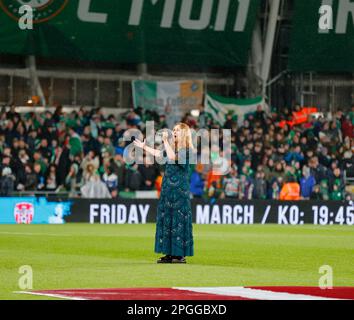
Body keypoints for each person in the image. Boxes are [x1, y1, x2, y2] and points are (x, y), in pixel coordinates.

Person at [134, 123, 194, 264]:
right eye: (173, 130)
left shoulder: (188, 150)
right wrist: (144, 147)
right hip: (167, 189)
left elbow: (174, 158)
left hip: (180, 191)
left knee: (178, 220)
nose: (174, 132)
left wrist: (166, 141)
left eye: (177, 130)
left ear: (184, 133)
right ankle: (169, 253)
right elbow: (159, 154)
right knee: (167, 220)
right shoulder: (171, 147)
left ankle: (179, 255)